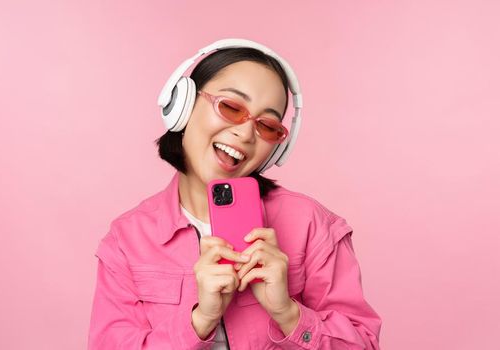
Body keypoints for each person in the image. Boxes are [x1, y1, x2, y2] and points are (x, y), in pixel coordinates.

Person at [87, 39, 382, 349]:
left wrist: (288, 313)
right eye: (230, 107)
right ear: (182, 105)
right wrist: (200, 321)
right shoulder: (126, 240)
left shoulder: (313, 226)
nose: (245, 134)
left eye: (267, 126)